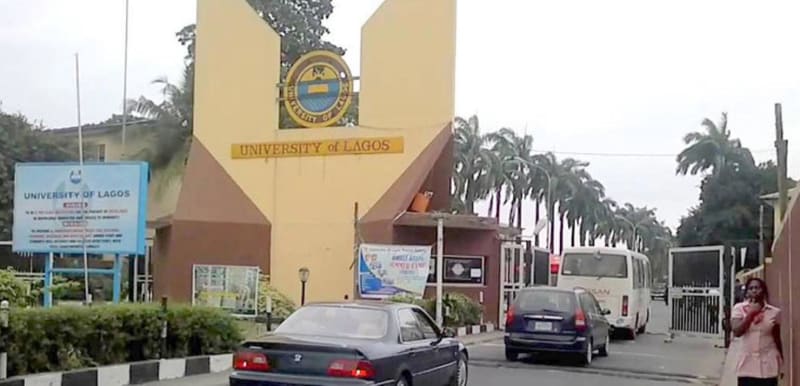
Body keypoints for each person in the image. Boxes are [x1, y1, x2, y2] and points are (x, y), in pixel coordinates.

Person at [731, 278, 783, 386]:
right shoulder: (739, 309)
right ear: (747, 292)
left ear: (763, 291)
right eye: (751, 288)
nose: (754, 291)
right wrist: (750, 314)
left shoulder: (774, 312)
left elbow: (777, 338)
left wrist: (782, 363)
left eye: (757, 288)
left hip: (768, 365)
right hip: (747, 364)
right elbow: (737, 332)